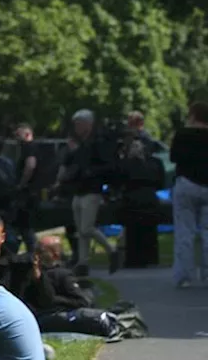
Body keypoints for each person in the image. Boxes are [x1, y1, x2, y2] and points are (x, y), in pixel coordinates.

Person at [56, 109, 120, 275]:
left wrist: (90, 172)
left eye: (79, 123)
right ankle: (82, 263)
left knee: (87, 228)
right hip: (78, 190)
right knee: (80, 230)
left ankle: (111, 250)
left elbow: (108, 165)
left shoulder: (98, 142)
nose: (76, 127)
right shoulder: (81, 144)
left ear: (88, 124)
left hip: (91, 190)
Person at [170, 101, 208, 287]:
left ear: (192, 115)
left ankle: (184, 276)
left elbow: (173, 157)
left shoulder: (183, 134)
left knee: (185, 231)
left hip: (186, 183)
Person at [118, 137, 165, 268]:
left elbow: (120, 180)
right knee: (148, 230)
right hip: (148, 198)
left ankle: (135, 259)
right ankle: (150, 258)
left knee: (134, 231)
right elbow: (160, 182)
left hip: (133, 198)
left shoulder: (127, 164)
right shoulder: (155, 163)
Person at [16, 236, 92, 316]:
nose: (36, 254)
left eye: (40, 251)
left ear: (55, 255)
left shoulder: (63, 275)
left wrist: (54, 299)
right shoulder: (31, 270)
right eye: (35, 250)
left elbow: (81, 301)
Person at [9, 124, 45, 252]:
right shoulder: (31, 148)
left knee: (25, 227)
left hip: (28, 194)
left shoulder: (29, 148)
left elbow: (30, 166)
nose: (16, 139)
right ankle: (32, 252)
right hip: (30, 193)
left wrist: (21, 184)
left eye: (19, 135)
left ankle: (33, 254)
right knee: (24, 227)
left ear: (28, 134)